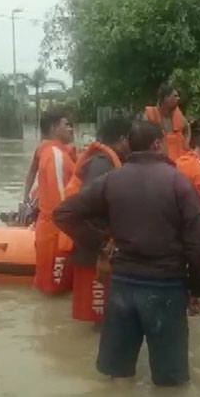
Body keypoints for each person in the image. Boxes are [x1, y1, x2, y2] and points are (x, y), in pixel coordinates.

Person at [53, 121, 200, 387]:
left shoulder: (112, 180)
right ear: (157, 145)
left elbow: (64, 213)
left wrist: (101, 244)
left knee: (120, 377)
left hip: (123, 284)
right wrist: (199, 289)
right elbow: (196, 244)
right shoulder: (178, 183)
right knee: (170, 381)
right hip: (166, 288)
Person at [55, 117, 132, 326]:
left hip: (95, 247)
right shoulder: (101, 164)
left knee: (103, 324)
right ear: (123, 139)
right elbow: (91, 210)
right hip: (95, 253)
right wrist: (102, 251)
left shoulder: (103, 161)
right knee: (102, 323)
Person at [34, 107, 76, 295]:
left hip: (54, 232)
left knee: (53, 294)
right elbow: (62, 204)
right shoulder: (55, 156)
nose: (71, 129)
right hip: (56, 235)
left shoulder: (55, 153)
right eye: (67, 125)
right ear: (53, 128)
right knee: (54, 293)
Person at [143, 84, 191, 161]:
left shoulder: (178, 115)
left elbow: (187, 129)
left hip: (180, 163)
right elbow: (142, 138)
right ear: (166, 98)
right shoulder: (149, 115)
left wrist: (186, 143)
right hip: (159, 163)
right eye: (175, 96)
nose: (178, 99)